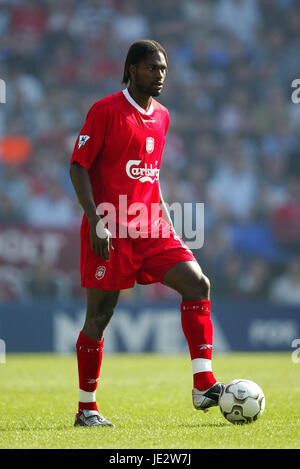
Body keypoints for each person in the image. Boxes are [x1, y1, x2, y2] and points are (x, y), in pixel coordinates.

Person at [69, 39, 223, 427]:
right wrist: (97, 220)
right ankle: (87, 408)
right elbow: (78, 167)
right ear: (133, 68)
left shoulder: (163, 116)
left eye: (164, 70)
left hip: (152, 226)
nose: (160, 76)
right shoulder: (105, 110)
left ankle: (203, 384)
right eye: (153, 68)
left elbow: (151, 177)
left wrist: (169, 223)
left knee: (197, 283)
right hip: (112, 227)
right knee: (100, 317)